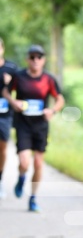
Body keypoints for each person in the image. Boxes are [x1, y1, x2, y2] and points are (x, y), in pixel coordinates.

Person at [2, 44, 64, 211]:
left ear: (43, 60)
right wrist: (14, 102)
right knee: (24, 162)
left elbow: (60, 99)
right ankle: (21, 177)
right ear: (27, 59)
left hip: (40, 126)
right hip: (23, 124)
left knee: (37, 163)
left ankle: (33, 198)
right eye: (32, 57)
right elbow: (6, 92)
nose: (35, 60)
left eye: (39, 57)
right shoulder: (19, 76)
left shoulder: (48, 79)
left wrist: (52, 110)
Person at [0, 37, 18, 199]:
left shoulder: (11, 68)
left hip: (4, 115)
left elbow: (22, 87)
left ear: (2, 49)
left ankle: (0, 179)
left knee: (2, 148)